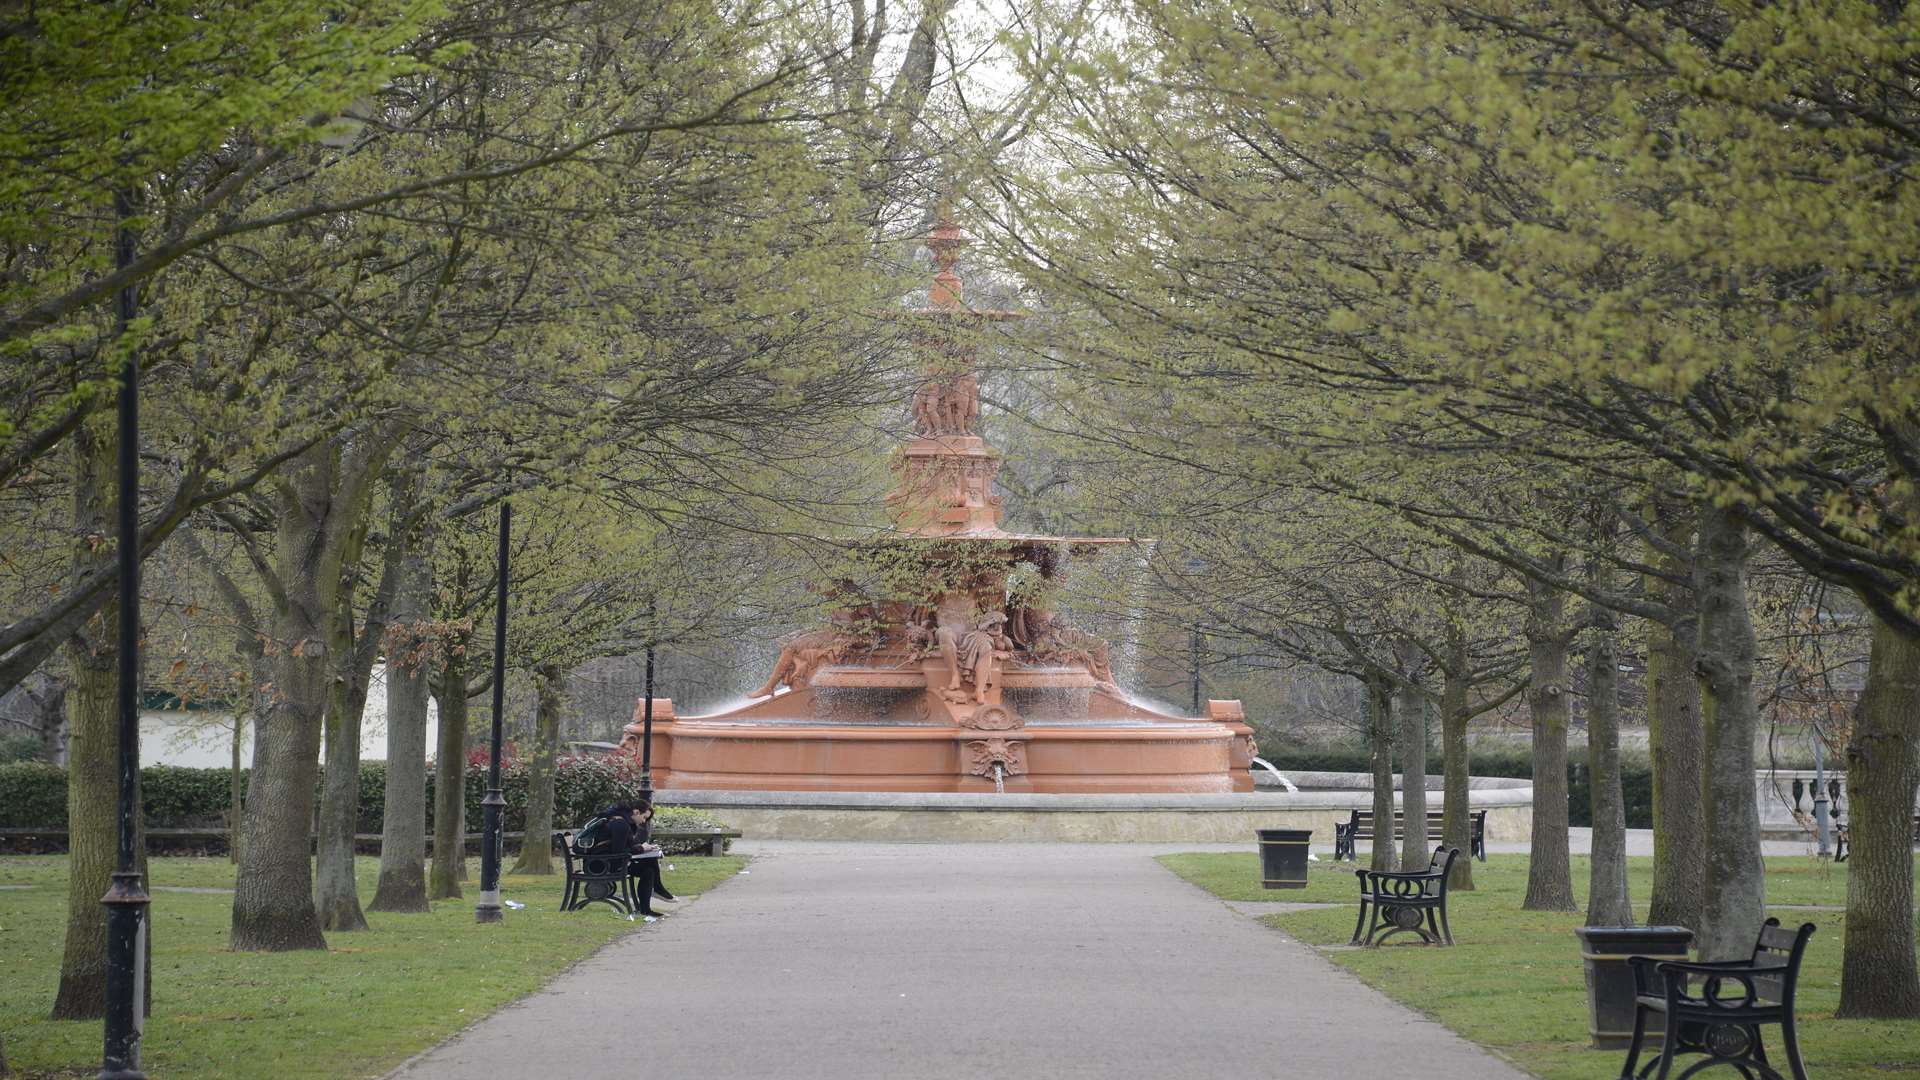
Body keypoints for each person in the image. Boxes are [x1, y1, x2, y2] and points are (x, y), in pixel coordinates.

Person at [591, 800, 674, 917]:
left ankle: (650, 902)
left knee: (649, 866)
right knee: (648, 868)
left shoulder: (620, 820)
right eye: (644, 817)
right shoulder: (620, 824)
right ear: (636, 812)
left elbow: (622, 847)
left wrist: (645, 848)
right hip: (602, 865)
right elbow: (619, 851)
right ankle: (655, 893)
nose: (644, 821)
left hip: (603, 861)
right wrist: (641, 848)